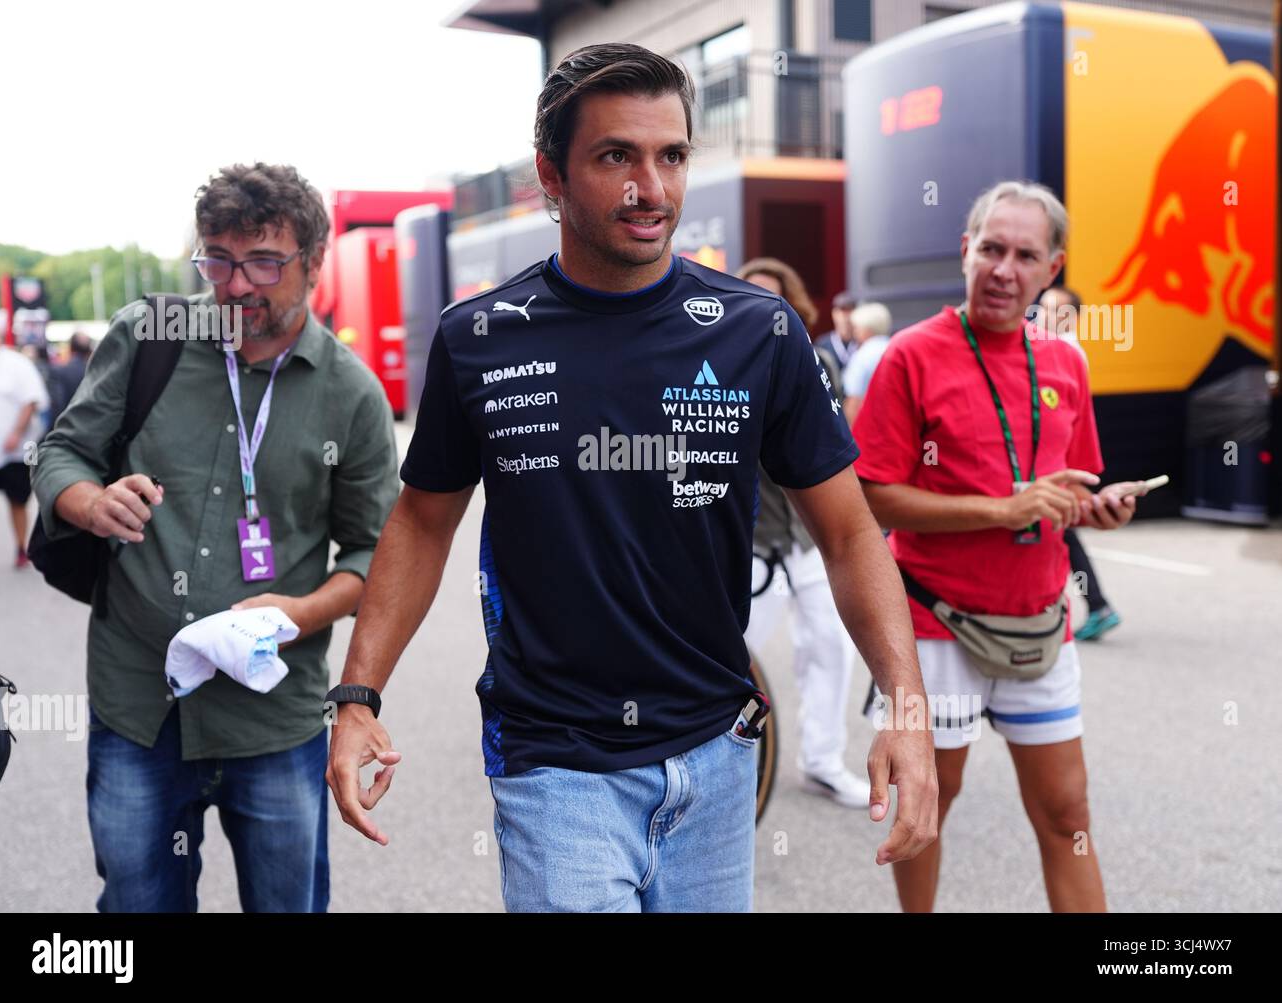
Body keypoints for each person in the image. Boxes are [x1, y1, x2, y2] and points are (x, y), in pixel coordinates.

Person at [327, 42, 937, 913]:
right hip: (555, 766)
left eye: (673, 156)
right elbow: (422, 524)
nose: (652, 188)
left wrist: (904, 711)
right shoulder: (480, 338)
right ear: (552, 174)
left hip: (717, 759)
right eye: (617, 156)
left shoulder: (757, 331)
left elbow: (848, 533)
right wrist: (357, 695)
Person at [31, 163, 400, 912]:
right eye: (217, 259)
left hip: (273, 718)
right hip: (140, 706)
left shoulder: (351, 393)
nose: (235, 285)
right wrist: (90, 500)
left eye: (264, 261)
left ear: (314, 263)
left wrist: (299, 612)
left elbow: (374, 557)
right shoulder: (148, 337)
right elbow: (62, 452)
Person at [853, 180, 1150, 913]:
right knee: (930, 803)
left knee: (1067, 817)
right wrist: (1002, 507)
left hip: (1040, 623)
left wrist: (1095, 509)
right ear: (965, 251)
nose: (1003, 269)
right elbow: (871, 494)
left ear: (1052, 270)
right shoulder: (909, 356)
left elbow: (1066, 491)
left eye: (1024, 255)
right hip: (936, 621)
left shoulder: (1066, 365)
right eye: (990, 248)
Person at [736, 257, 871, 809]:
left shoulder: (816, 364)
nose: (763, 311)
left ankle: (822, 762)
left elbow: (832, 451)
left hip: (811, 541)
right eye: (750, 297)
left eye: (775, 299)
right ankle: (707, 765)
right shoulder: (715, 364)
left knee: (830, 649)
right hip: (753, 539)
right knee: (729, 654)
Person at [1037, 285, 1121, 641]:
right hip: (1058, 466)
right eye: (1041, 307)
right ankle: (1097, 604)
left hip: (1058, 465)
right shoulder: (1054, 347)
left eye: (1051, 309)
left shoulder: (1065, 352)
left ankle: (1094, 606)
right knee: (1062, 533)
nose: (1041, 315)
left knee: (1061, 532)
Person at [0, 319, 48, 568]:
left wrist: (16, 433)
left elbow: (32, 401)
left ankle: (21, 547)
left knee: (17, 501)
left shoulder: (17, 364)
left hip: (14, 451)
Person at [842, 301, 893, 426]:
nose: (855, 332)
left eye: (857, 328)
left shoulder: (862, 356)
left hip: (870, 427)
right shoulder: (895, 348)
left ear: (867, 329)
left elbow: (854, 400)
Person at [47, 330, 94, 422]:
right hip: (91, 426)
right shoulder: (95, 372)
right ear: (89, 350)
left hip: (67, 426)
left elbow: (58, 405)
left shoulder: (58, 371)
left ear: (71, 348)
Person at [814, 291, 857, 371]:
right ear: (834, 313)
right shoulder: (822, 344)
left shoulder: (861, 342)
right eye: (842, 310)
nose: (846, 316)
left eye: (850, 310)